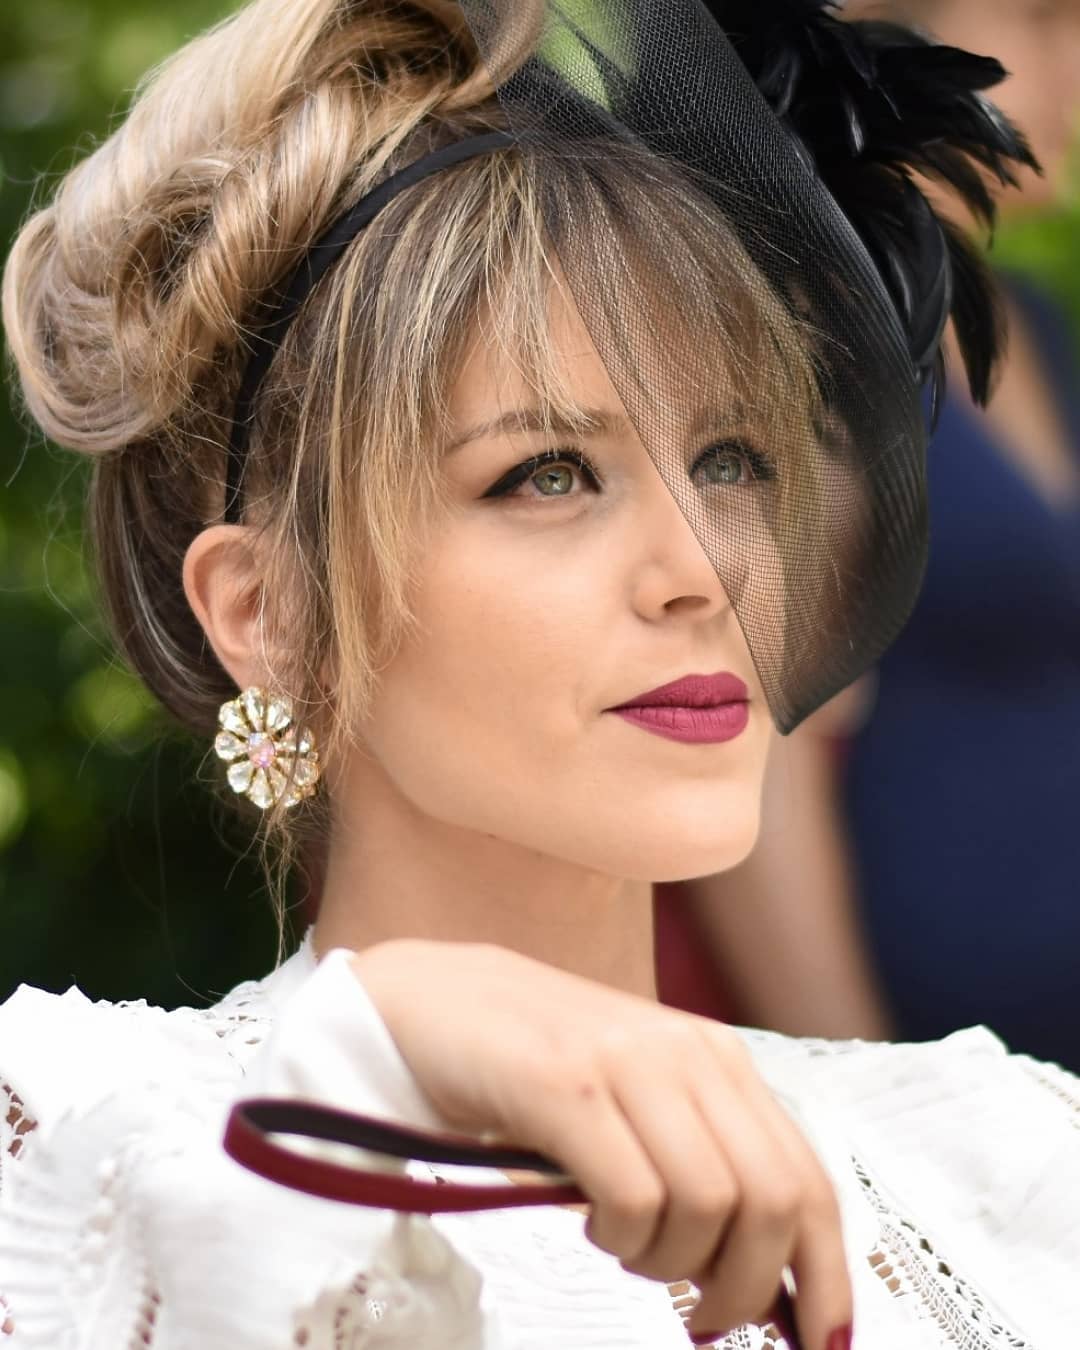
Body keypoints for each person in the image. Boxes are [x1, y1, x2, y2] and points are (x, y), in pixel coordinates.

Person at [0, 2, 1077, 1348]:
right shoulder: (80, 1135)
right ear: (269, 610)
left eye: (732, 460)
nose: (702, 566)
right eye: (548, 473)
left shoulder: (1001, 1151)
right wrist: (385, 1032)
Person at [678, 0, 1080, 1068]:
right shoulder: (811, 332)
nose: (1077, 63)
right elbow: (760, 745)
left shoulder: (1029, 320)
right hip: (946, 1062)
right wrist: (855, 1089)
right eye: (1046, 19)